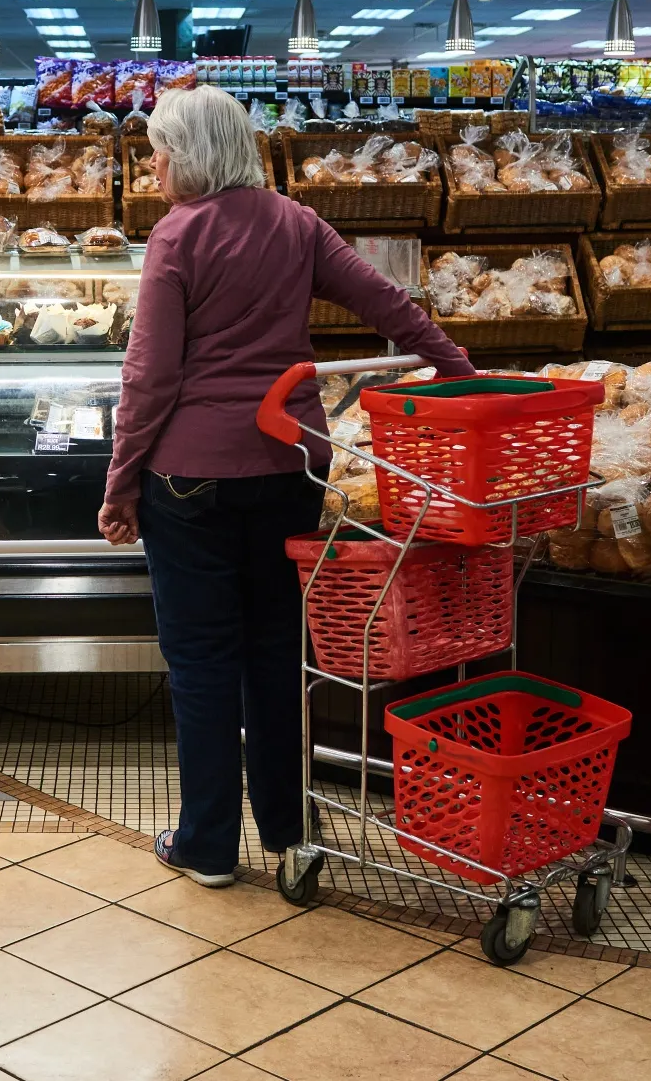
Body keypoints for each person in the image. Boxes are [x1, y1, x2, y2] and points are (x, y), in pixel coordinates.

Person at [100, 86, 476, 887]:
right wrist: (458, 370)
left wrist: (121, 483)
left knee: (202, 663)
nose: (155, 165)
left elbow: (149, 377)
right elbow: (389, 304)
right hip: (289, 469)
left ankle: (205, 844)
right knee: (275, 652)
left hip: (190, 478)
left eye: (161, 151)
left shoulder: (176, 237)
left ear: (192, 155)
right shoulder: (297, 222)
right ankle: (287, 826)